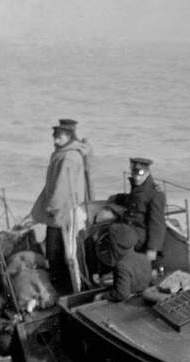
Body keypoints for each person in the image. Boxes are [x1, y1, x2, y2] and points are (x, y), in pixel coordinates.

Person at [29, 118, 93, 291]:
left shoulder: (68, 157)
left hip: (62, 213)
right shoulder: (64, 153)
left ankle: (62, 288)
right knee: (63, 252)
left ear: (69, 137)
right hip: (65, 211)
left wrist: (52, 208)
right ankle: (64, 285)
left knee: (57, 253)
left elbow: (62, 187)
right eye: (55, 136)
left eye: (60, 137)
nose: (56, 140)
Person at [110, 157, 166, 267]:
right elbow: (133, 201)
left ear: (147, 172)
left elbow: (157, 223)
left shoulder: (155, 193)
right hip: (132, 227)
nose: (136, 177)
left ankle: (119, 265)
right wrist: (116, 198)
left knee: (115, 229)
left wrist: (152, 249)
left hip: (140, 234)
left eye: (140, 173)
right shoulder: (138, 187)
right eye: (134, 173)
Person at [96, 223, 151, 302]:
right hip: (143, 298)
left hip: (129, 302)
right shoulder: (144, 258)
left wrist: (102, 296)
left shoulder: (122, 266)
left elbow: (122, 294)